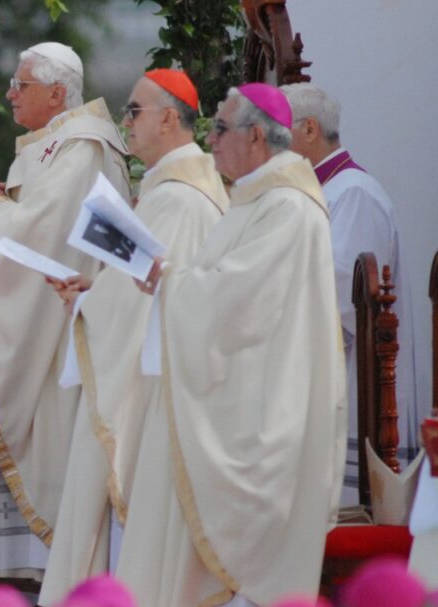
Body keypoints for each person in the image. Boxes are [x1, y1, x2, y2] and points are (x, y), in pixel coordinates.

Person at [119, 84, 346, 606]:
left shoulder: (289, 208)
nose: (211, 140)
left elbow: (239, 306)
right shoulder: (253, 201)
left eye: (220, 129)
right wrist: (172, 281)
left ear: (257, 136)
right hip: (229, 400)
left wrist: (168, 279)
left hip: (260, 416)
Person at [0, 42, 130, 597]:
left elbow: (46, 238)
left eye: (21, 85)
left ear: (57, 92)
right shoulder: (55, 146)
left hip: (60, 337)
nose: (10, 94)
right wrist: (3, 209)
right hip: (45, 324)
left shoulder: (82, 146)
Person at [39, 69, 228, 604]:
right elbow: (148, 283)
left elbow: (160, 296)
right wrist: (96, 290)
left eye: (135, 111)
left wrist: (88, 305)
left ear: (169, 118)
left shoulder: (182, 197)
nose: (126, 121)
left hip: (157, 389)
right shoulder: (179, 186)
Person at [282, 82, 422, 501]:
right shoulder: (323, 192)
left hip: (352, 391)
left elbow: (340, 303)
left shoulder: (353, 194)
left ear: (309, 129)